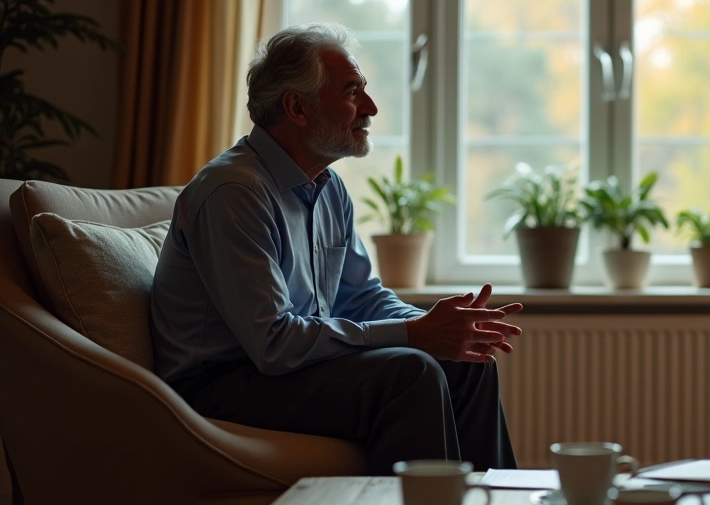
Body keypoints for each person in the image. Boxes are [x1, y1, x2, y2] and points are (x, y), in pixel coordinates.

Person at [151, 23, 521, 474]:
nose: (371, 108)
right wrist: (413, 336)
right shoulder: (234, 191)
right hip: (220, 384)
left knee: (467, 363)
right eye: (352, 93)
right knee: (410, 374)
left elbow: (361, 296)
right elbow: (273, 344)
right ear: (297, 107)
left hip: (283, 370)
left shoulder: (328, 188)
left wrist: (434, 326)